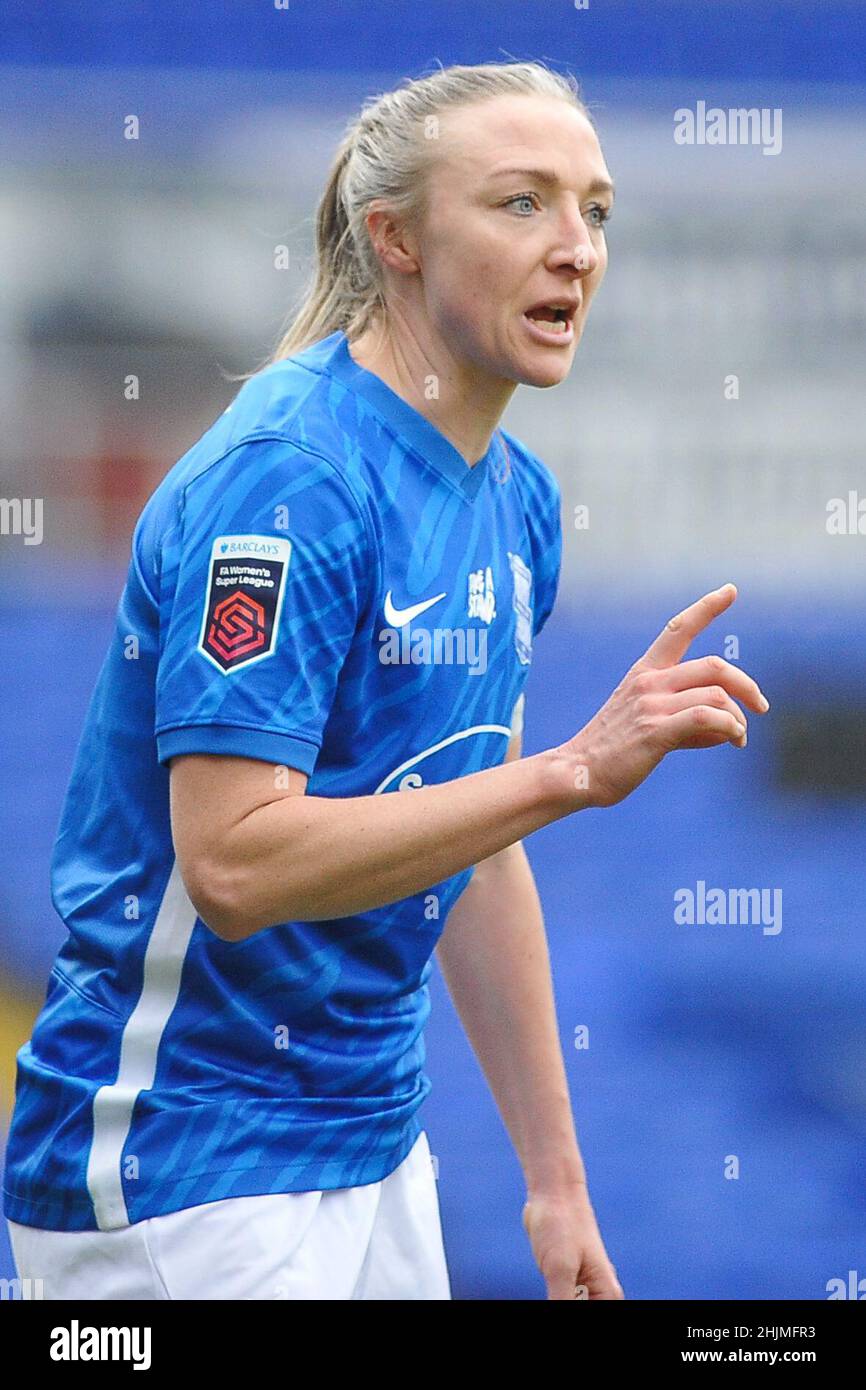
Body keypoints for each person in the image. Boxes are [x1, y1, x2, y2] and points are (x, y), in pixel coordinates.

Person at [3, 60, 769, 1301]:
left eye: (596, 210)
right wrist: (570, 771)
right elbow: (236, 866)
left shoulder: (514, 501)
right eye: (521, 204)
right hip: (184, 1160)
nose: (575, 248)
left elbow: (470, 839)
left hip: (373, 1152)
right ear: (395, 239)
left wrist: (553, 1177)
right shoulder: (289, 480)